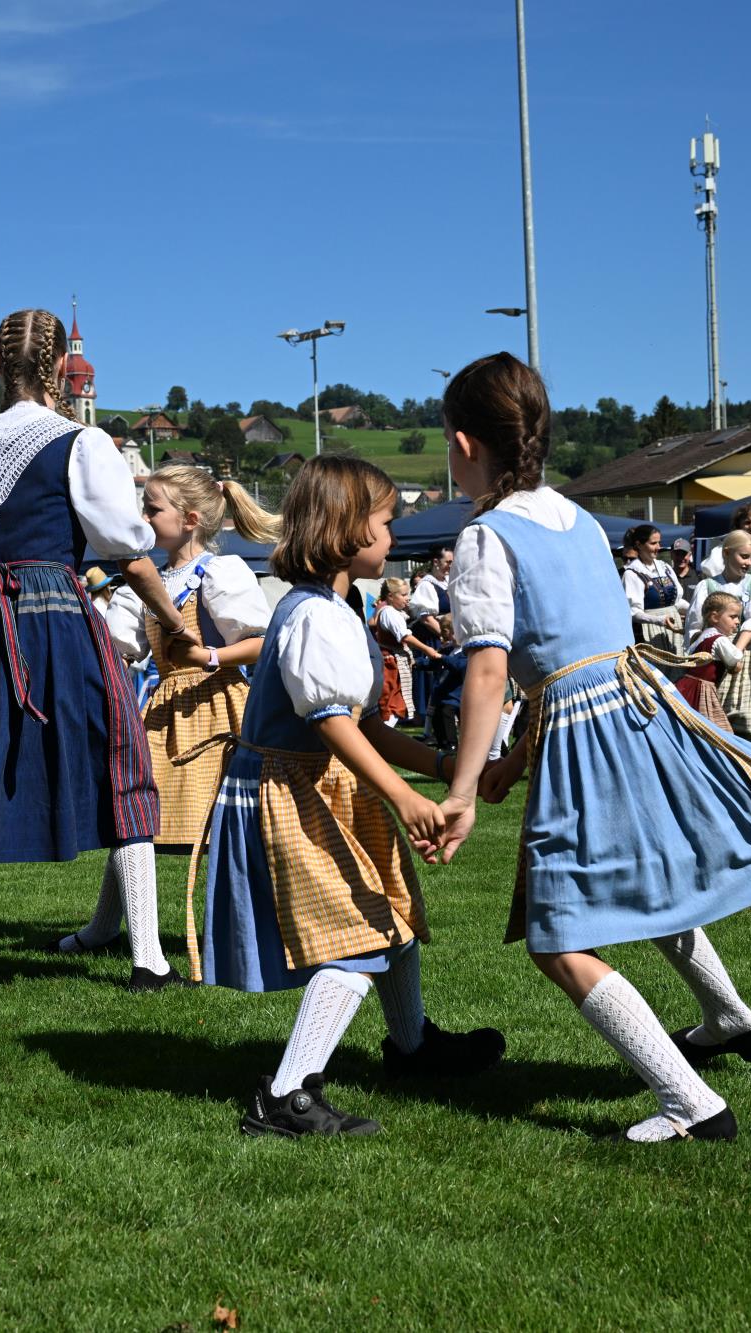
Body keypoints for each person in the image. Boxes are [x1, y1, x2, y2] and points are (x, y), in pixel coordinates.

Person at [431, 351, 751, 1143]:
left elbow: (492, 670)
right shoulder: (579, 520)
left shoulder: (487, 537)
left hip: (588, 737)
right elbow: (579, 657)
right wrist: (512, 763)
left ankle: (689, 1100)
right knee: (651, 880)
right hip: (639, 712)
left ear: (464, 445)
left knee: (560, 938)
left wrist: (461, 790)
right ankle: (727, 1017)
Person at [198, 455, 503, 1138]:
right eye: (386, 522)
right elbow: (331, 722)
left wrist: (442, 765)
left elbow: (361, 724)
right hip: (289, 790)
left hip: (318, 784)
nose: (393, 537)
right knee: (358, 934)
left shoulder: (335, 608)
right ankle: (286, 1095)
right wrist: (403, 797)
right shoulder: (314, 614)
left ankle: (412, 1046)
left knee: (390, 914)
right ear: (347, 528)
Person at [0, 308, 190, 989]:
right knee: (122, 758)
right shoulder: (81, 443)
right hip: (54, 612)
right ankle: (148, 959)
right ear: (60, 366)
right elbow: (127, 546)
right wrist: (174, 621)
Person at [74, 465, 275, 980]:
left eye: (152, 509)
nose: (143, 517)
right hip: (163, 711)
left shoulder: (221, 573)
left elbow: (261, 641)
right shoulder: (145, 582)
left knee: (226, 826)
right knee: (133, 817)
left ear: (189, 519)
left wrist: (210, 655)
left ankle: (240, 929)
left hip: (220, 707)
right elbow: (122, 648)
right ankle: (104, 926)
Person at [687, 531, 751, 741]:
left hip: (747, 651)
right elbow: (695, 626)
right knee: (714, 712)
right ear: (726, 553)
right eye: (744, 556)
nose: (749, 562)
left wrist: (735, 653)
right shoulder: (707, 585)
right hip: (715, 654)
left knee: (748, 716)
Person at [407, 544, 456, 737]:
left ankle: (440, 728)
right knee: (436, 683)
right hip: (435, 639)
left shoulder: (449, 582)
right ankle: (432, 729)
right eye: (447, 562)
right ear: (436, 562)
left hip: (450, 636)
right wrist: (445, 635)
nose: (450, 566)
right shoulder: (427, 585)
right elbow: (426, 618)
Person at [374, 578, 437, 724]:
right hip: (391, 664)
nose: (407, 598)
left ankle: (383, 732)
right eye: (403, 595)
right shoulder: (389, 613)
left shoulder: (394, 612)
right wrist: (427, 649)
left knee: (395, 702)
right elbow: (405, 636)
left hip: (395, 661)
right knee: (391, 704)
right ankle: (383, 734)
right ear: (390, 596)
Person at [677, 591, 741, 732]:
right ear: (715, 617)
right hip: (702, 691)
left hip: (686, 686)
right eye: (733, 617)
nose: (737, 621)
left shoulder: (701, 636)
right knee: (713, 731)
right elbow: (734, 659)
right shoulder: (719, 640)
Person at [622, 523, 687, 653]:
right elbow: (634, 612)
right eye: (653, 543)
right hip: (650, 630)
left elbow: (677, 601)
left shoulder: (665, 567)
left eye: (659, 542)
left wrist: (697, 609)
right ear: (639, 544)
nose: (658, 547)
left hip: (674, 626)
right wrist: (659, 620)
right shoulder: (632, 573)